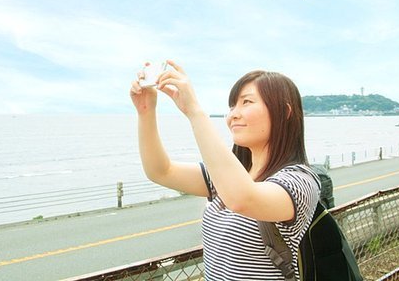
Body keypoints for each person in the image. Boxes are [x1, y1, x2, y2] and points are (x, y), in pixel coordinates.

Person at [130, 60, 320, 280]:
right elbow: (160, 171)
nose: (233, 115)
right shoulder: (229, 176)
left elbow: (243, 199)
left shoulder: (300, 181)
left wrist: (195, 111)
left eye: (246, 102)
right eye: (232, 106)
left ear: (284, 112)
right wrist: (145, 112)